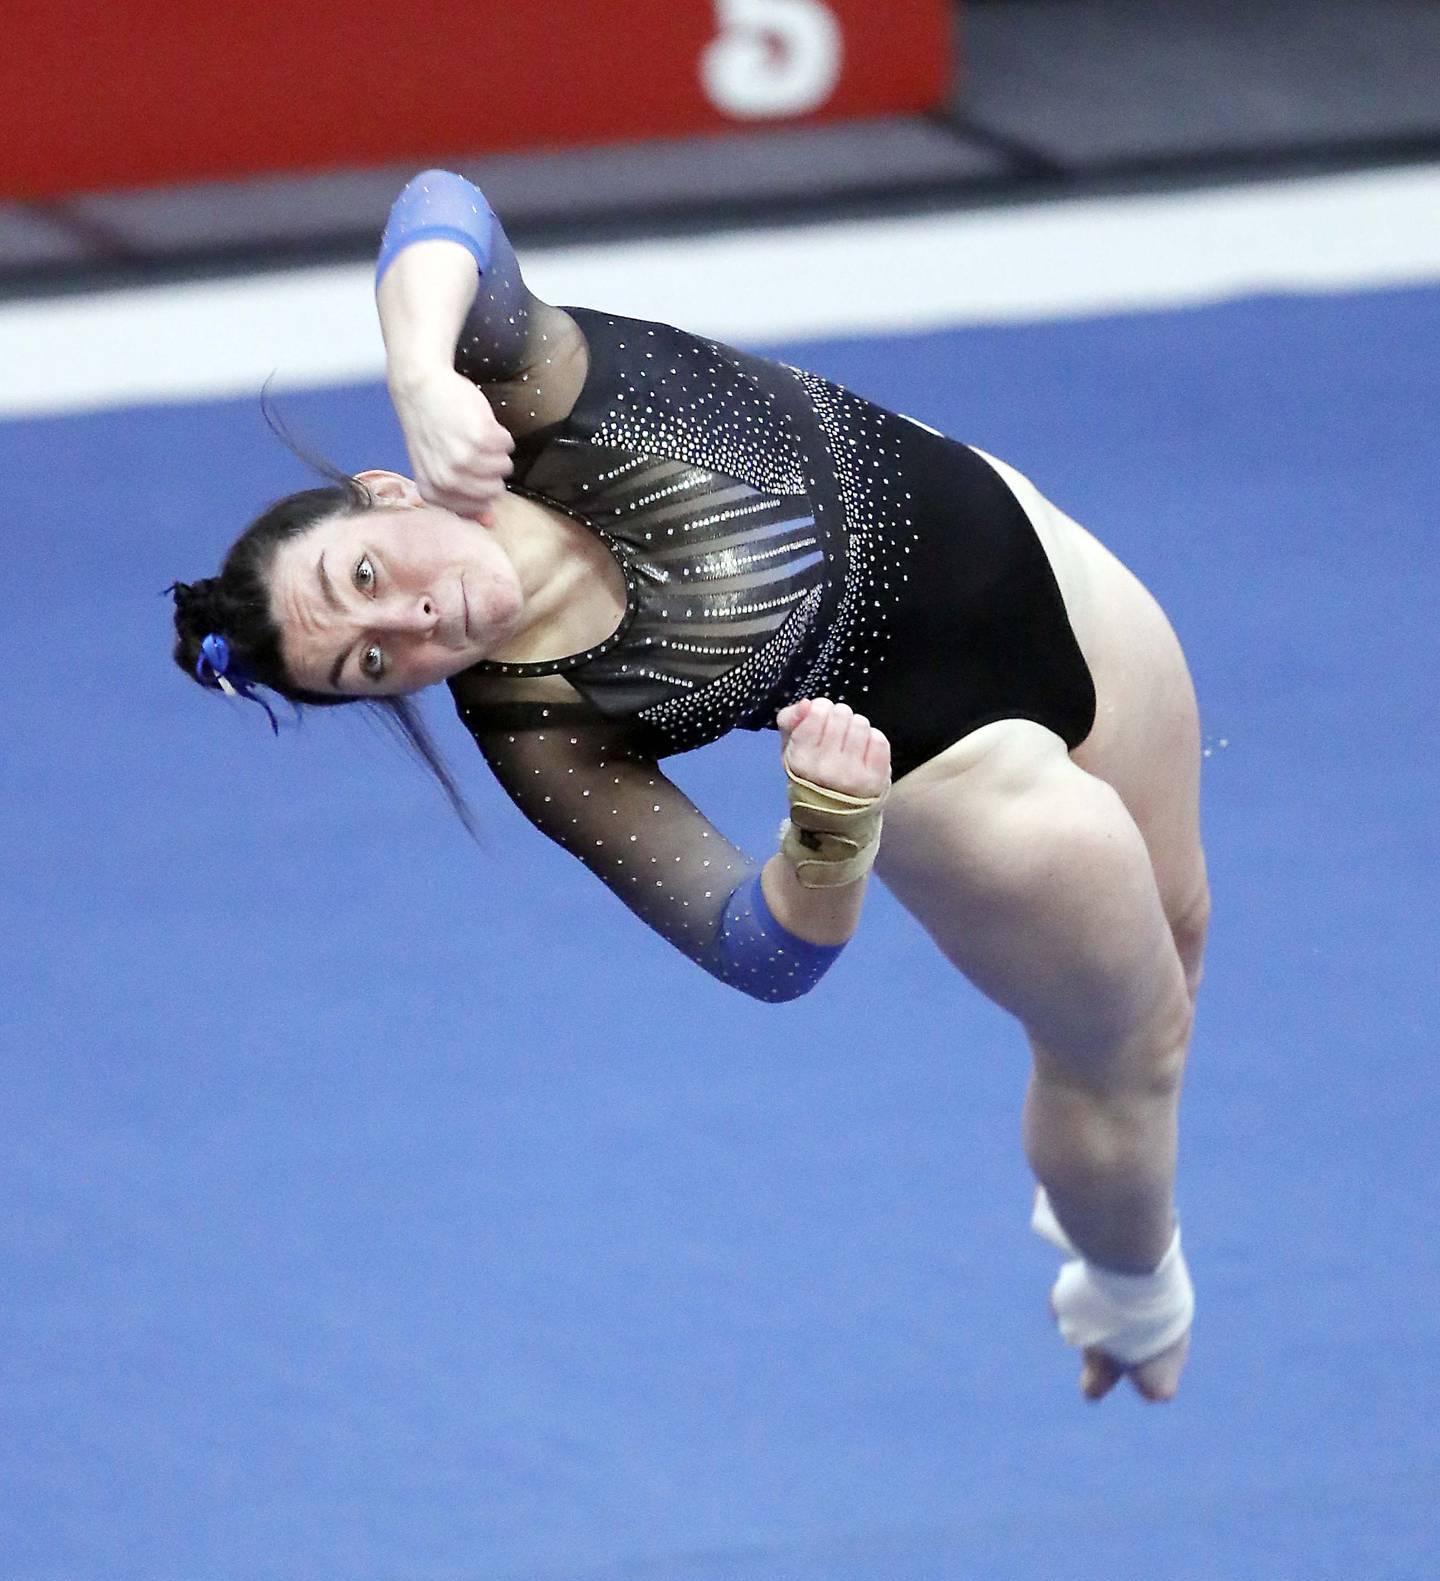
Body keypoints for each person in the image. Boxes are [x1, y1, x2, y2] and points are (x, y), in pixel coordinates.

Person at [172, 171, 1208, 1403]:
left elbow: (439, 205)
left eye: (364, 575)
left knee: (1184, 934)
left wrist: (417, 370)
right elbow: (757, 946)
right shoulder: (538, 729)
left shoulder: (518, 392)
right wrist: (827, 835)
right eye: (374, 661)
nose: (410, 617)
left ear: (388, 491)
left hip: (1043, 556)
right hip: (956, 772)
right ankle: (1132, 1291)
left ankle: (1108, 1217)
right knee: (1129, 1052)